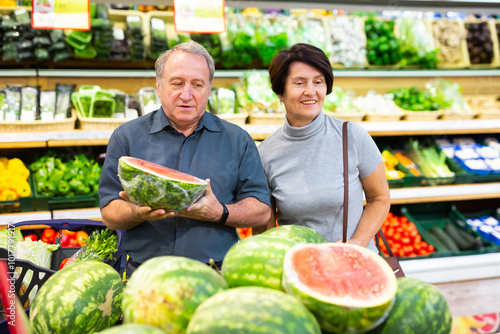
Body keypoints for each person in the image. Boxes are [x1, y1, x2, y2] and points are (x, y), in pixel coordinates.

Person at [98, 41, 271, 274]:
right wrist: (135, 212)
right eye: (177, 83)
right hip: (144, 276)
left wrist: (220, 212)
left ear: (209, 89)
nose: (186, 95)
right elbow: (109, 213)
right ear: (159, 86)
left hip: (215, 275)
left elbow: (261, 210)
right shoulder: (126, 137)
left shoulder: (237, 140)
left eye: (197, 85)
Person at [256, 43, 390, 252]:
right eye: (299, 83)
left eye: (318, 82)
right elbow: (264, 229)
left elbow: (380, 198)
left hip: (354, 262)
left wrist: (355, 244)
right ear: (280, 92)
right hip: (301, 267)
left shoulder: (351, 136)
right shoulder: (265, 155)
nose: (311, 91)